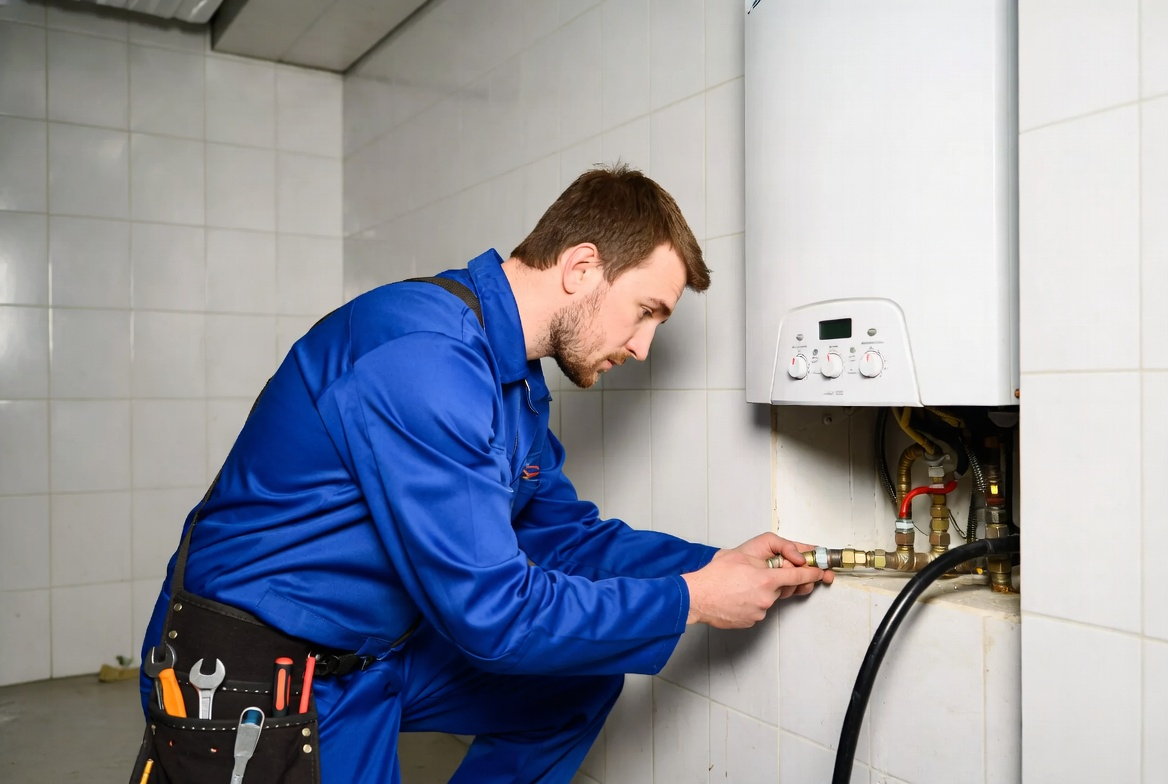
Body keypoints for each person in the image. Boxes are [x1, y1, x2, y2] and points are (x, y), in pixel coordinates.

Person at [138, 163, 833, 784]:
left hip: (372, 656)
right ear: (583, 267)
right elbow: (492, 615)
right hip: (259, 670)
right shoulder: (427, 361)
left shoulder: (511, 386)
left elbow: (565, 538)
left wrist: (716, 565)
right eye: (646, 311)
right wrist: (691, 600)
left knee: (573, 687)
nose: (645, 346)